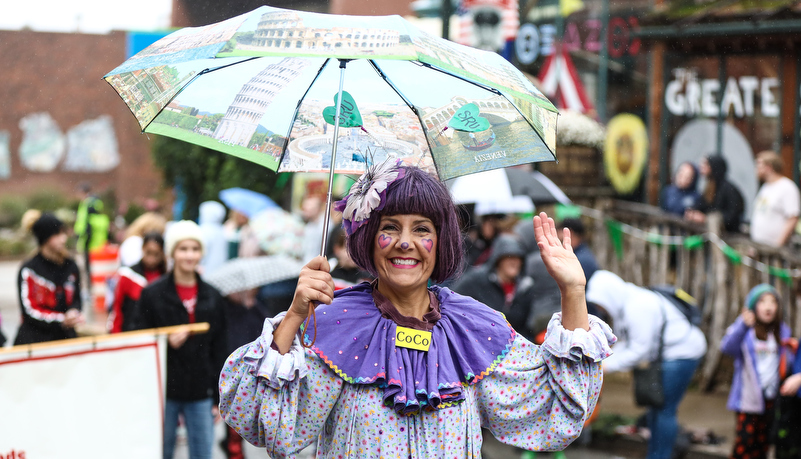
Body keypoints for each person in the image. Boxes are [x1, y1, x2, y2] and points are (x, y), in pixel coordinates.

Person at [219, 162, 615, 458]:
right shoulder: (334, 323)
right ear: (370, 240)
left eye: (422, 229)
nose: (404, 242)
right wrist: (294, 316)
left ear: (440, 242)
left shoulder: (472, 327)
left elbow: (554, 411)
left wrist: (573, 291)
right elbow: (265, 422)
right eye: (390, 227)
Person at [586, 270, 707, 459]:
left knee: (665, 410)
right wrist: (601, 361)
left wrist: (606, 367)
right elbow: (625, 343)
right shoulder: (625, 306)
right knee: (656, 409)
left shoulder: (637, 306)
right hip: (666, 356)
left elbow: (638, 350)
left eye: (599, 302)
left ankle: (661, 455)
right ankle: (656, 453)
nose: (599, 308)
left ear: (609, 295)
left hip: (682, 355)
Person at [136, 220, 228, 459]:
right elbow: (137, 337)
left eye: (195, 249)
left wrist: (219, 397)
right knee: (159, 451)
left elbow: (220, 348)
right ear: (172, 253)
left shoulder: (213, 296)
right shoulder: (152, 294)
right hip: (163, 388)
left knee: (201, 452)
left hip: (200, 389)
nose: (190, 255)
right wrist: (165, 343)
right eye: (183, 249)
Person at [720, 284, 793, 459]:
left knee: (764, 444)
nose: (768, 307)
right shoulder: (745, 331)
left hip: (771, 398)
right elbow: (727, 347)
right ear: (753, 306)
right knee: (745, 444)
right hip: (748, 400)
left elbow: (786, 361)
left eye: (773, 302)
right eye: (762, 302)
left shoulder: (782, 331)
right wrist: (742, 325)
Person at [15, 211, 85, 345]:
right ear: (45, 237)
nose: (63, 239)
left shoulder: (71, 266)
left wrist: (74, 313)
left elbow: (77, 298)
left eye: (64, 233)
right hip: (35, 341)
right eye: (57, 234)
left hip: (65, 338)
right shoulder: (29, 269)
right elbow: (29, 312)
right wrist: (61, 320)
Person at [452, 233, 535, 340]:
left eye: (518, 258)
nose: (514, 262)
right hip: (480, 342)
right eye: (509, 257)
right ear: (498, 260)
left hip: (514, 347)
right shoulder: (477, 279)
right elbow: (452, 301)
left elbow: (526, 325)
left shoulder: (525, 286)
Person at [108, 232, 166, 333]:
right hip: (131, 333)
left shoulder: (165, 278)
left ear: (162, 253)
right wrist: (116, 334)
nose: (151, 259)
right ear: (143, 249)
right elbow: (117, 308)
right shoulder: (129, 275)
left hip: (156, 335)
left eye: (156, 254)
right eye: (148, 253)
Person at [750, 150, 801, 247]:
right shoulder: (765, 187)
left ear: (768, 167)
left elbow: (793, 218)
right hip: (760, 247)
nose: (756, 169)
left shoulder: (787, 187)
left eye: (759, 165)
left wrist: (778, 244)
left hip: (776, 252)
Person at [685, 155, 744, 233]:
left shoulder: (729, 189)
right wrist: (693, 212)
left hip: (727, 233)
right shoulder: (709, 187)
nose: (702, 167)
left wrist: (705, 218)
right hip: (708, 230)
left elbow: (732, 216)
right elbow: (701, 204)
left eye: (706, 164)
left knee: (714, 219)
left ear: (714, 167)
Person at [73, 183, 110, 280]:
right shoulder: (94, 204)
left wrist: (82, 236)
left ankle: (92, 290)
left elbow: (85, 222)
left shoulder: (88, 204)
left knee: (90, 268)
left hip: (89, 241)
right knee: (96, 268)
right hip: (95, 242)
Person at [559, 218, 599, 282]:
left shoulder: (581, 259)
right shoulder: (582, 253)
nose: (560, 244)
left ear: (570, 234)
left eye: (560, 240)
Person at [198, 201, 228, 275]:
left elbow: (201, 252)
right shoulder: (222, 230)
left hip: (205, 270)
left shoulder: (203, 230)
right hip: (220, 271)